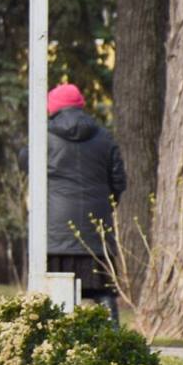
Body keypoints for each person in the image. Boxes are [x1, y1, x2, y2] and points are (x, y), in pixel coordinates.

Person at [46, 83, 127, 320]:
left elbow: (26, 162)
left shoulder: (45, 136)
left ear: (54, 108)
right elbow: (119, 181)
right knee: (102, 289)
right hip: (96, 229)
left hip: (56, 230)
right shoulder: (104, 136)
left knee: (57, 290)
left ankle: (59, 341)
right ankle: (114, 340)